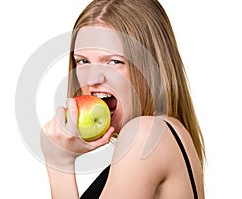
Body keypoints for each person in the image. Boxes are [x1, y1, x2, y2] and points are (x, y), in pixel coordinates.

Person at [41, 0, 205, 198]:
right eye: (83, 61)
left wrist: (59, 164)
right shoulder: (167, 133)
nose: (93, 79)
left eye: (114, 61)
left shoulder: (146, 135)